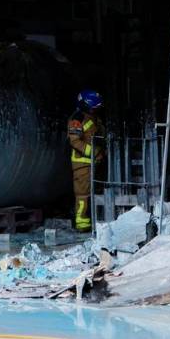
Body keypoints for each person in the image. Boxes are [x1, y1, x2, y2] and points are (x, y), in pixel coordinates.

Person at [67, 90, 104, 233]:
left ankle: (94, 222)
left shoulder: (93, 118)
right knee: (83, 195)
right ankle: (82, 225)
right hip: (82, 164)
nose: (95, 110)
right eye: (93, 108)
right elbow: (75, 141)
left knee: (95, 193)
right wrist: (94, 152)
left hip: (94, 163)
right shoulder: (77, 119)